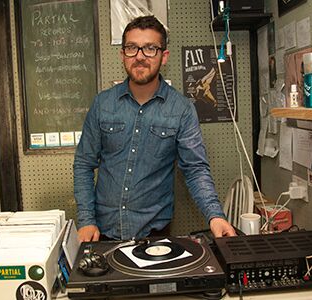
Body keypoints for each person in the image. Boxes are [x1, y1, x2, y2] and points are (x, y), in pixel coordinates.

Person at [73, 15, 236, 242]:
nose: (139, 57)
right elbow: (83, 164)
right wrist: (86, 220)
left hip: (155, 236)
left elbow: (195, 169)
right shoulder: (103, 104)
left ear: (164, 56)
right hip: (101, 232)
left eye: (150, 48)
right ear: (122, 55)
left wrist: (215, 216)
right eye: (132, 48)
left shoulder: (182, 110)